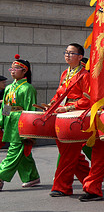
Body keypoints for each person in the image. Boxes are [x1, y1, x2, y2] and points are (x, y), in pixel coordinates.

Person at [49, 43, 92, 197]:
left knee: (68, 152)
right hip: (61, 115)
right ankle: (91, 179)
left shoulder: (85, 75)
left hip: (75, 116)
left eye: (71, 53)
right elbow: (59, 94)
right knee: (69, 152)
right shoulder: (65, 73)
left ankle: (62, 187)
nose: (67, 55)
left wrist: (68, 108)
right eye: (66, 52)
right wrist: (52, 105)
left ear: (80, 57)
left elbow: (88, 99)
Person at [0, 55, 39, 191]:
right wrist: (1, 122)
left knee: (14, 150)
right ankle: (31, 176)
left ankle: (0, 175)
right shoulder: (8, 88)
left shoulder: (28, 88)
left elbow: (31, 109)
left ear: (24, 71)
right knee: (22, 152)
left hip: (21, 122)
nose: (12, 71)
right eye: (12, 68)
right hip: (10, 122)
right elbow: (5, 107)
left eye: (16, 68)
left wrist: (30, 130)